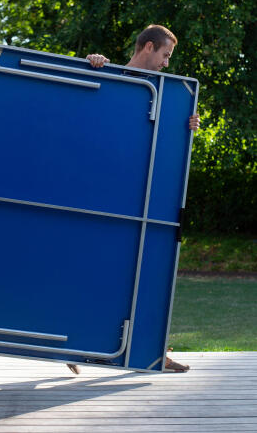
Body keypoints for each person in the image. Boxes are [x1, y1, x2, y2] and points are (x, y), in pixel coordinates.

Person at [66, 25, 199, 376]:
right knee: (95, 276)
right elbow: (80, 111)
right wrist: (88, 63)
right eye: (165, 56)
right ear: (149, 47)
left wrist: (187, 125)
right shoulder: (109, 74)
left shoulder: (167, 93)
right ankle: (72, 345)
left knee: (155, 273)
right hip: (102, 198)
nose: (166, 64)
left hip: (145, 201)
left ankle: (158, 351)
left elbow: (165, 146)